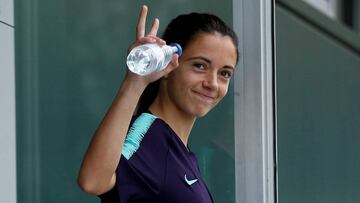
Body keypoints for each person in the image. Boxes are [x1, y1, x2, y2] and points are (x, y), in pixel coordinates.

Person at [78, 5, 239, 203]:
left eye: (224, 73)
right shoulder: (147, 136)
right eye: (200, 65)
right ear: (168, 66)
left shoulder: (182, 152)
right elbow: (93, 181)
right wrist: (135, 81)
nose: (212, 83)